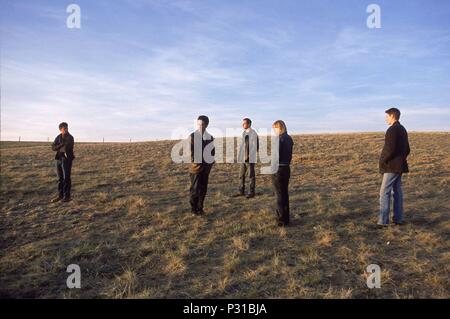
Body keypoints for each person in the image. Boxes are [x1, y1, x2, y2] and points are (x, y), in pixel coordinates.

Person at [378, 108, 410, 227]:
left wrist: (382, 160)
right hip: (400, 165)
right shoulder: (403, 129)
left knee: (384, 192)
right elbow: (407, 149)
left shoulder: (392, 130)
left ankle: (383, 221)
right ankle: (398, 219)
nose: (386, 118)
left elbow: (389, 149)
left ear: (392, 116)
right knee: (397, 192)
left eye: (387, 116)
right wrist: (401, 159)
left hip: (391, 166)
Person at [189, 115, 215, 215]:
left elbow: (212, 152)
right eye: (198, 124)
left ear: (207, 125)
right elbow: (190, 152)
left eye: (202, 124)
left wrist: (210, 164)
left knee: (203, 189)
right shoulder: (192, 136)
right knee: (195, 189)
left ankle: (200, 208)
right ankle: (193, 209)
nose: (200, 126)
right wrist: (197, 162)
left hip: (206, 168)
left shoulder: (210, 137)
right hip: (195, 168)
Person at [271, 120, 293, 227]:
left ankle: (281, 220)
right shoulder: (289, 138)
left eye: (274, 128)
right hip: (286, 168)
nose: (274, 131)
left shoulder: (279, 139)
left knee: (279, 194)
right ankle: (286, 218)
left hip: (278, 169)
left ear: (279, 128)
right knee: (285, 193)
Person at [51, 122, 75, 203]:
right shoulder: (58, 137)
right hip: (58, 159)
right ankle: (60, 196)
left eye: (67, 128)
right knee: (60, 179)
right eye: (64, 128)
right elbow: (53, 147)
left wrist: (59, 146)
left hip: (67, 160)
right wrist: (60, 145)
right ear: (60, 129)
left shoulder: (70, 137)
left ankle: (67, 196)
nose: (66, 129)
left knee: (66, 178)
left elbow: (67, 147)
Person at [235, 118, 259, 199]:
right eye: (242, 123)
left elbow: (256, 147)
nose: (242, 125)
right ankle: (241, 191)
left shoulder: (253, 133)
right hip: (243, 158)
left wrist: (249, 156)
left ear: (248, 124)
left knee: (251, 175)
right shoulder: (244, 133)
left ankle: (251, 192)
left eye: (244, 123)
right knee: (241, 175)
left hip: (250, 158)